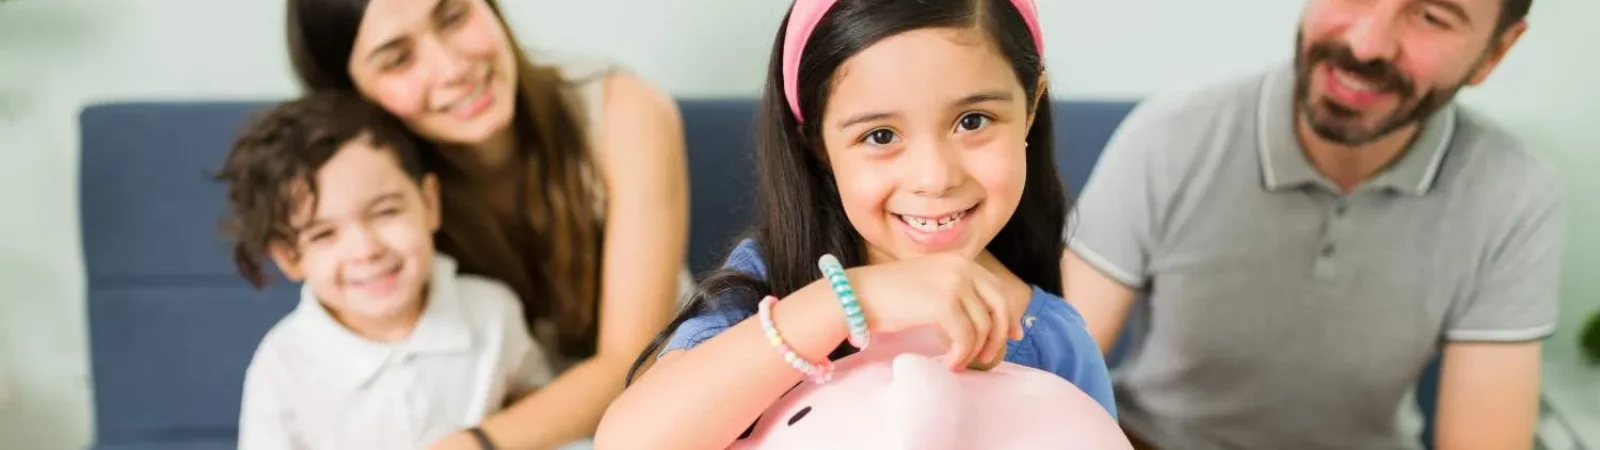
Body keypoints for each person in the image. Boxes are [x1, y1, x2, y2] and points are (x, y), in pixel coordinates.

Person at [596, 1, 1114, 448]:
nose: (934, 177)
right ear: (818, 143)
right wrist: (849, 301)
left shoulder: (1052, 342)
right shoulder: (768, 282)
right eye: (881, 136)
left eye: (972, 121)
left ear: (1031, 107)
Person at [1062, 0, 1564, 449]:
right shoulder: (1172, 133)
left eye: (1431, 17)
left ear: (1496, 52)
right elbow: (1056, 375)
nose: (1366, 45)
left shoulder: (1512, 195)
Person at [284, 1, 691, 448]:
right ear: (351, 99)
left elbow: (631, 362)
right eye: (398, 59)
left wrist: (474, 444)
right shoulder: (380, 206)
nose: (452, 68)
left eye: (454, 16)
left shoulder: (623, 112)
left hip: (668, 415)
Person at [222, 93, 552, 450]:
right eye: (324, 234)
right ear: (290, 258)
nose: (366, 250)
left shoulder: (493, 313)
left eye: (385, 212)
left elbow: (542, 411)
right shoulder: (282, 365)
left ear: (429, 203)